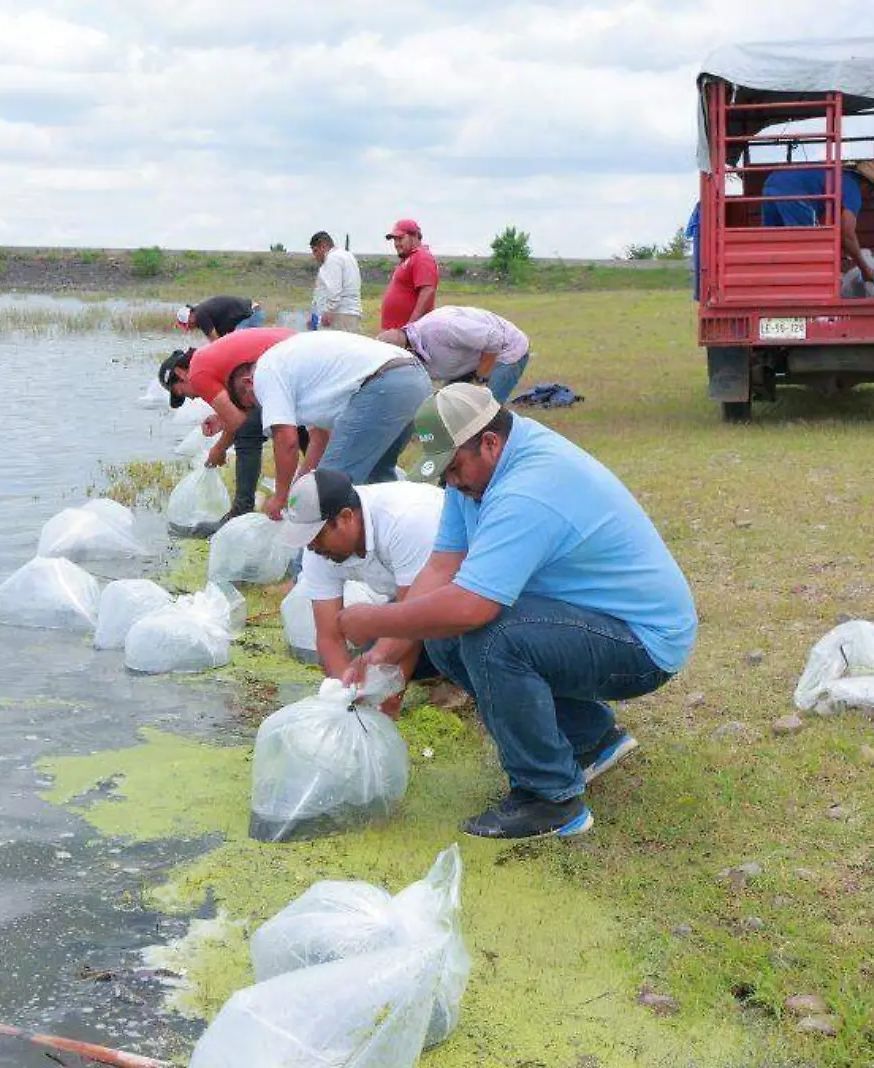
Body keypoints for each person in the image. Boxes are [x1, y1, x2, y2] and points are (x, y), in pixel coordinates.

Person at [335, 384, 697, 839]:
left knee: (492, 637)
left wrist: (377, 619)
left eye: (454, 468)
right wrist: (380, 653)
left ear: (489, 442)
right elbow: (444, 566)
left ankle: (551, 799)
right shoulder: (478, 474)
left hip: (643, 643)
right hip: (588, 620)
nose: (450, 481)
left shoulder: (527, 488)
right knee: (441, 631)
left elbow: (472, 607)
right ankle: (589, 741)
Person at [224, 331, 432, 515]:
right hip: (414, 376)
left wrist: (280, 497)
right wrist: (297, 490)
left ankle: (305, 560)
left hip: (383, 384)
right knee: (377, 479)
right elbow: (319, 439)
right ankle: (388, 545)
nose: (262, 408)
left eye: (253, 404)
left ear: (248, 383)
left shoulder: (265, 374)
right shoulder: (293, 370)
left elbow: (286, 440)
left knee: (328, 490)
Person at [278, 468, 444, 693]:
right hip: (407, 594)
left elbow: (413, 619)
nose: (312, 548)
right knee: (372, 654)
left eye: (316, 536)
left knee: (438, 647)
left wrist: (393, 691)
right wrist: (347, 694)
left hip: (458, 588)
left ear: (346, 517)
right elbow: (328, 637)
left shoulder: (406, 520)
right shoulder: (318, 549)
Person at [159, 327, 294, 519]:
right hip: (294, 353)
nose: (189, 398)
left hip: (287, 361)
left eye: (180, 392)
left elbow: (239, 423)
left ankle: (242, 510)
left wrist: (219, 449)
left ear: (181, 373)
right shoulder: (206, 358)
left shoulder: (197, 374)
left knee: (248, 434)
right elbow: (244, 407)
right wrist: (222, 420)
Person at [760, 159, 874, 285]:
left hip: (772, 181)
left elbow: (840, 231)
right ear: (867, 185)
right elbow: (847, 234)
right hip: (793, 190)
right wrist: (865, 269)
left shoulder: (837, 178)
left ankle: (770, 283)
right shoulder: (853, 188)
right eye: (869, 192)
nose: (865, 195)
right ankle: (813, 286)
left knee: (772, 242)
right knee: (815, 245)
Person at [379, 305, 532, 402]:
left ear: (408, 350)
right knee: (448, 403)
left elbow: (494, 339)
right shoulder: (409, 348)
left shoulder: (442, 329)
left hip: (507, 348)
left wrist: (480, 379)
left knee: (486, 408)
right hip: (471, 355)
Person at [380, 218, 439, 330]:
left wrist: (411, 326)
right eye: (395, 240)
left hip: (408, 335)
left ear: (415, 236)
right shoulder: (410, 258)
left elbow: (428, 291)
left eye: (400, 239)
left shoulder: (422, 257)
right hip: (396, 332)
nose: (396, 244)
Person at [308, 231, 362, 332]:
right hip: (349, 313)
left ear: (323, 247)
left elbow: (333, 288)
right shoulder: (347, 256)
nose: (315, 256)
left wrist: (328, 310)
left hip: (339, 315)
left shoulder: (332, 258)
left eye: (315, 251)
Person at [177, 295, 264, 340]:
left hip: (251, 314)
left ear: (190, 317)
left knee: (238, 344)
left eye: (188, 325)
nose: (191, 328)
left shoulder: (200, 315)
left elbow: (216, 342)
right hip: (253, 312)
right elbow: (220, 339)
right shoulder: (204, 313)